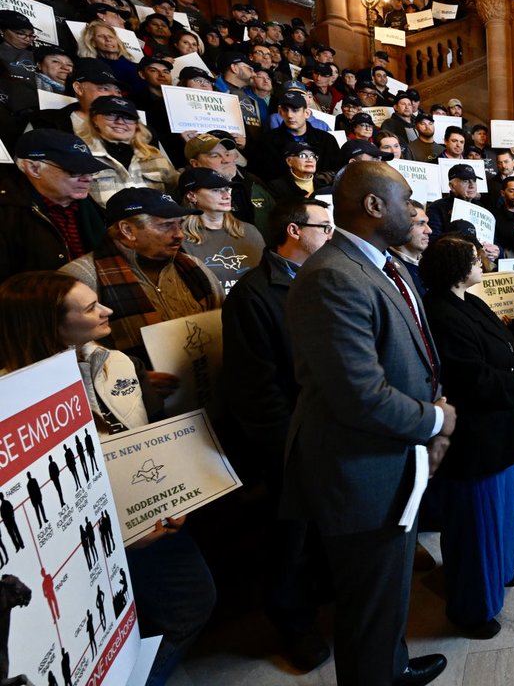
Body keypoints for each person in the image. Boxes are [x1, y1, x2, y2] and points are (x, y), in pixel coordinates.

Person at [0, 271, 215, 686]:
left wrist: (169, 498)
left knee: (191, 603)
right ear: (51, 325)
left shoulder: (116, 362)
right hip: (80, 542)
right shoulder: (13, 399)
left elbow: (141, 436)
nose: (107, 310)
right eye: (90, 308)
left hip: (149, 523)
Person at [281, 162, 451, 686]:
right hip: (359, 471)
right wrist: (434, 420)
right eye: (404, 200)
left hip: (391, 457)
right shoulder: (333, 275)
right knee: (368, 605)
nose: (415, 212)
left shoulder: (378, 265)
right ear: (374, 206)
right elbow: (358, 395)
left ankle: (392, 664)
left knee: (388, 593)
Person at [220, 198, 333, 672]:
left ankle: (323, 599)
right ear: (293, 229)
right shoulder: (254, 294)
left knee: (322, 529)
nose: (331, 235)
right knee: (289, 536)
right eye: (323, 227)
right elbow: (257, 388)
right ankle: (292, 622)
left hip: (330, 431)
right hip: (290, 440)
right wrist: (287, 446)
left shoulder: (322, 279)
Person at [420, 236, 514, 638]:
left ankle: (500, 570)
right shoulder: (440, 311)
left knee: (500, 510)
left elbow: (503, 348)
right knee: (475, 525)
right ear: (455, 266)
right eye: (474, 257)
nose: (483, 260)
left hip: (497, 428)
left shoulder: (470, 301)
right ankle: (472, 608)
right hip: (473, 435)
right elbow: (472, 379)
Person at [60, 187, 223, 357]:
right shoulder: (80, 276)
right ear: (127, 230)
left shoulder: (193, 265)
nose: (179, 234)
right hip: (131, 381)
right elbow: (71, 350)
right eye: (166, 225)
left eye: (179, 224)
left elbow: (224, 319)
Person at [0, 129, 111, 282]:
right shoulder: (7, 213)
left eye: (91, 171)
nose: (88, 179)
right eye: (75, 171)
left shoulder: (91, 207)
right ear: (34, 169)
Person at [77, 95, 178, 207]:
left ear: (136, 125)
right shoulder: (81, 156)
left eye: (128, 117)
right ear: (94, 119)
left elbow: (177, 193)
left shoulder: (156, 157)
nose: (120, 121)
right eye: (111, 114)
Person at [178, 168, 265, 294]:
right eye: (216, 190)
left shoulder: (249, 231)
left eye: (227, 189)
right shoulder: (179, 238)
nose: (226, 196)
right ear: (191, 196)